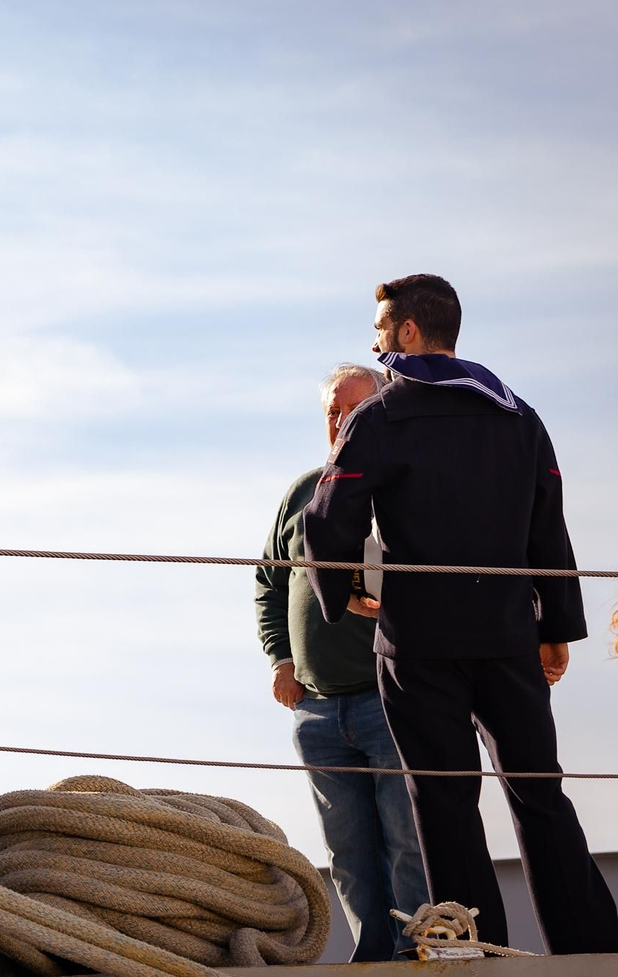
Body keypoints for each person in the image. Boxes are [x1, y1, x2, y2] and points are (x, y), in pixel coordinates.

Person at [304, 274, 618, 954]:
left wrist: (346, 589)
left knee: (446, 804)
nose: (378, 343)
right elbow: (548, 524)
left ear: (408, 333)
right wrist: (556, 625)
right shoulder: (520, 414)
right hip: (509, 636)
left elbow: (326, 519)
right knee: (541, 794)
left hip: (420, 645)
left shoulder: (380, 419)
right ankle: (592, 947)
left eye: (381, 332)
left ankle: (474, 952)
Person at [255, 363, 426, 962]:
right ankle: (372, 958)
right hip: (317, 709)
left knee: (408, 840)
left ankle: (417, 954)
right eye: (331, 409)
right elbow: (268, 586)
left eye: (351, 409)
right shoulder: (302, 494)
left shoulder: (406, 488)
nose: (340, 420)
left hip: (390, 700)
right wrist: (280, 660)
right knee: (347, 849)